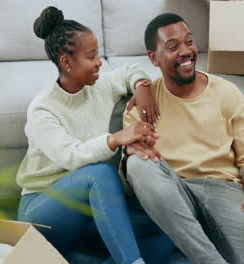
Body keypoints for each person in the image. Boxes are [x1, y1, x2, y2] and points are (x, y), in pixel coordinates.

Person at [16, 7, 174, 264]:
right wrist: (115, 138)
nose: (99, 61)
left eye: (98, 54)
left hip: (85, 212)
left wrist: (142, 86)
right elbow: (71, 156)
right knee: (99, 174)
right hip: (42, 214)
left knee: (166, 228)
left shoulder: (99, 86)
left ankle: (82, 257)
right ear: (67, 62)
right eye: (91, 56)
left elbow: (127, 72)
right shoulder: (42, 109)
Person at [123, 13, 244, 264]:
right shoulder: (141, 108)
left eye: (189, 42)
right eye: (173, 47)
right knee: (137, 163)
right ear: (153, 58)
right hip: (172, 192)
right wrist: (130, 151)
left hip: (223, 191)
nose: (186, 51)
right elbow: (135, 181)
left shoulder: (228, 93)